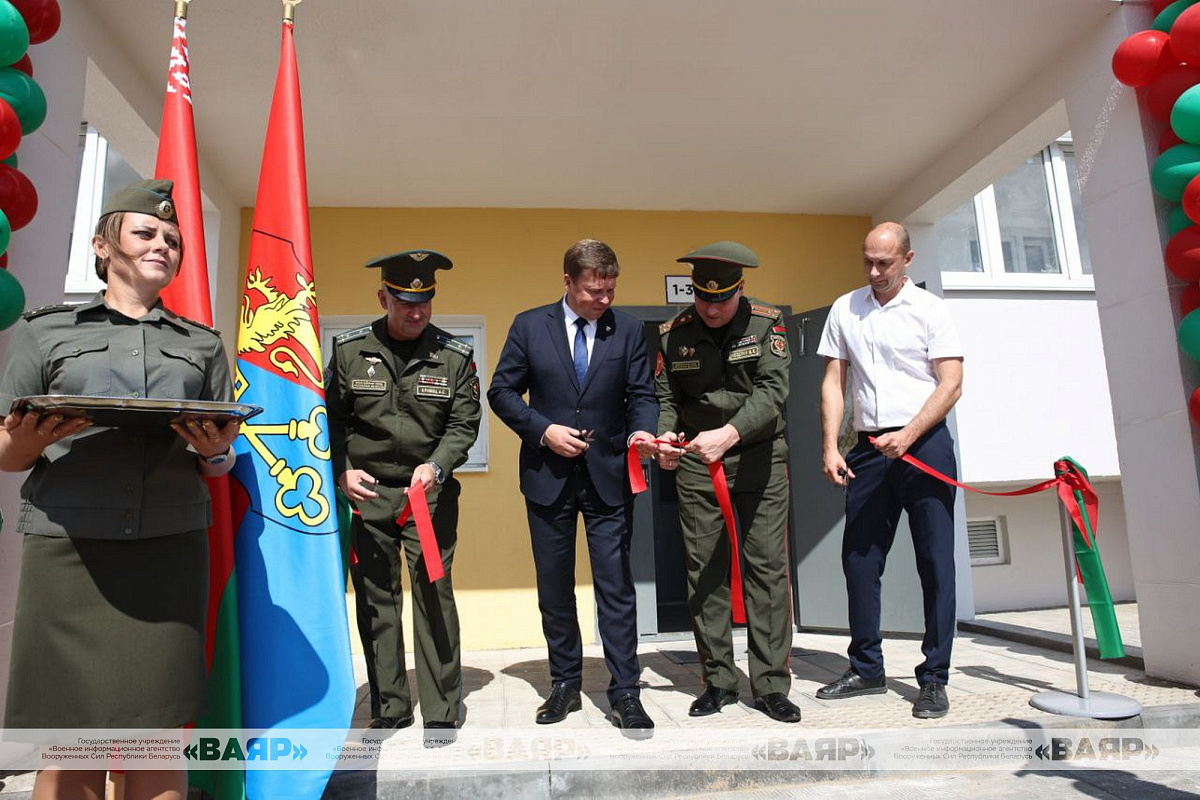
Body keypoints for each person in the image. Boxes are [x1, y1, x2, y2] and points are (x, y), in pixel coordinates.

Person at [0, 179, 239, 800]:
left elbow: (217, 460)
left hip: (167, 548)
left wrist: (215, 453)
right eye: (146, 233)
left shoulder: (202, 344)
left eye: (172, 239)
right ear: (103, 246)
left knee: (156, 736)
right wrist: (31, 436)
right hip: (69, 550)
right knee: (69, 737)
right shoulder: (44, 332)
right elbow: (7, 454)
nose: (163, 245)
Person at [488, 239, 658, 735]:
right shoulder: (529, 325)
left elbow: (642, 395)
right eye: (593, 291)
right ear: (568, 282)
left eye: (610, 290)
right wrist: (543, 430)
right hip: (548, 479)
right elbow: (501, 391)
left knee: (615, 587)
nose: (603, 299)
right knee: (555, 588)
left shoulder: (628, 329)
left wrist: (641, 434)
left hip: (609, 478)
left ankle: (625, 691)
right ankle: (564, 683)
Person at [326, 249, 481, 743]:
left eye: (424, 303)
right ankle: (390, 705)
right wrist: (341, 472)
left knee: (434, 591)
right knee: (377, 597)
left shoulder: (454, 356)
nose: (416, 313)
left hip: (427, 494)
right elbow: (330, 421)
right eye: (405, 303)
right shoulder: (349, 351)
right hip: (367, 492)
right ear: (383, 298)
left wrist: (437, 466)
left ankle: (442, 709)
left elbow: (464, 423)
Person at [815, 221, 964, 720]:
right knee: (859, 559)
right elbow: (834, 382)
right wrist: (831, 446)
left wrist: (911, 433)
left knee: (935, 563)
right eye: (868, 262)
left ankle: (934, 678)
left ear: (907, 259)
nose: (875, 271)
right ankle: (866, 668)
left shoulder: (931, 309)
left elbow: (951, 383)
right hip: (868, 448)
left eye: (885, 262)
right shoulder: (845, 308)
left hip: (925, 445)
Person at [653, 240, 801, 724]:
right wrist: (665, 437)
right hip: (698, 461)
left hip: (759, 457)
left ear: (741, 289)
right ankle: (718, 681)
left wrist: (731, 433)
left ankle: (771, 684)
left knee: (766, 569)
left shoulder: (766, 323)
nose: (712, 309)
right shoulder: (673, 334)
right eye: (703, 298)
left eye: (721, 299)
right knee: (705, 570)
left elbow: (773, 391)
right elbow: (667, 398)